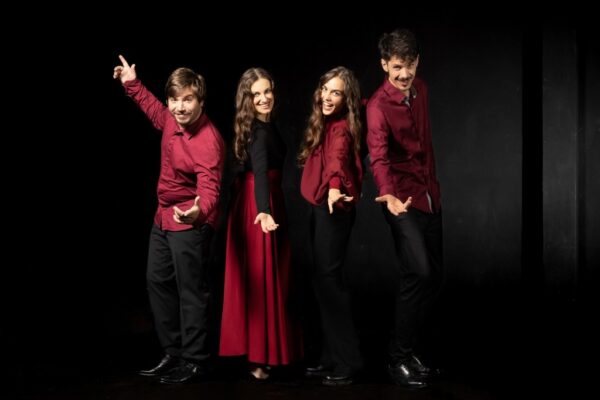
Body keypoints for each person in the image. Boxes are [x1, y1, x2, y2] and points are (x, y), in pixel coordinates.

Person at [113, 55, 225, 384]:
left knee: (191, 291)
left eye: (187, 99)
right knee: (157, 281)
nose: (179, 107)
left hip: (190, 219)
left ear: (200, 100)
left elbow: (210, 188)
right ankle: (173, 352)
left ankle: (196, 361)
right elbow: (152, 108)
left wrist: (199, 212)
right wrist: (132, 83)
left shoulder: (208, 141)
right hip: (163, 217)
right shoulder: (171, 119)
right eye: (174, 99)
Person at [366, 29, 443, 388]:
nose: (404, 74)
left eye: (409, 65)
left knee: (434, 277)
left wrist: (433, 189)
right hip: (399, 201)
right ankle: (397, 359)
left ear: (417, 62)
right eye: (397, 66)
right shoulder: (377, 106)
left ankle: (409, 352)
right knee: (419, 272)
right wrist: (388, 194)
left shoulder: (421, 89)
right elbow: (378, 156)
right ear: (385, 64)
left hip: (429, 195)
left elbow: (424, 144)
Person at [219, 68, 300, 380]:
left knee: (270, 277)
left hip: (261, 201)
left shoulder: (265, 125)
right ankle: (258, 357)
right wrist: (264, 210)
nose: (264, 98)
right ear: (247, 100)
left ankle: (263, 353)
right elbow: (262, 171)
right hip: (259, 205)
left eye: (267, 91)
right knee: (260, 279)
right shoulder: (259, 131)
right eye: (256, 94)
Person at [298, 66, 365, 386]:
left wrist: (336, 187)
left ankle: (347, 361)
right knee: (323, 282)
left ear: (345, 98)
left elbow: (338, 159)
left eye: (335, 92)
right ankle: (330, 356)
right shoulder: (326, 121)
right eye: (325, 89)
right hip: (320, 206)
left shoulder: (341, 129)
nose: (326, 96)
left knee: (330, 282)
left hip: (333, 209)